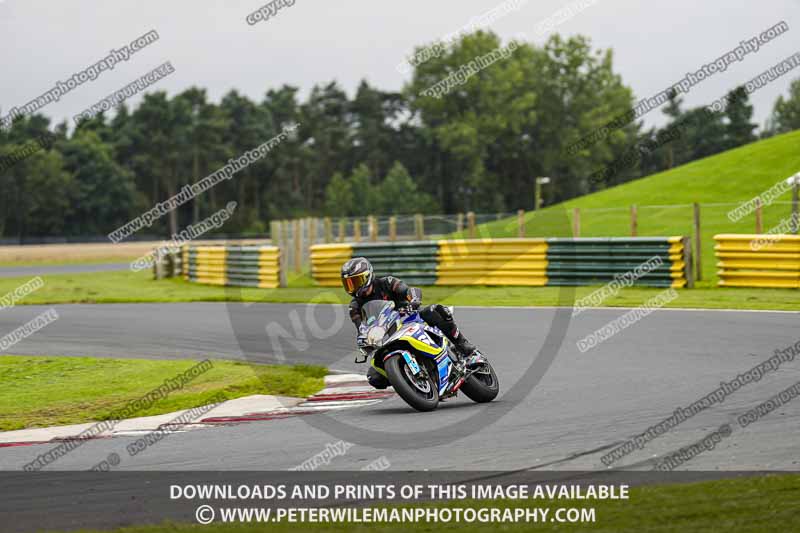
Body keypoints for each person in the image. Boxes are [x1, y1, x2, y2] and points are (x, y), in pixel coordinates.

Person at [341, 257, 485, 389]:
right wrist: (364, 341)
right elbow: (361, 328)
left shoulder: (387, 282)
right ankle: (408, 379)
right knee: (374, 377)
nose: (353, 287)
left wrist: (413, 301)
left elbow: (409, 291)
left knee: (435, 311)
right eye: (348, 284)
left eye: (356, 281)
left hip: (409, 318)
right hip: (387, 335)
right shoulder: (354, 307)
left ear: (368, 276)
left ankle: (463, 345)